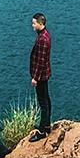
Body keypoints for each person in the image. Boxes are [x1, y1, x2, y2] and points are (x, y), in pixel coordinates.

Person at [29, 13, 52, 141]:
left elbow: (41, 61)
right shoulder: (44, 35)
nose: (32, 26)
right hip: (44, 74)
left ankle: (42, 131)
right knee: (46, 99)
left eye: (34, 23)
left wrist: (35, 78)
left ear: (40, 24)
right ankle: (46, 124)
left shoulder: (43, 39)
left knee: (43, 102)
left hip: (41, 76)